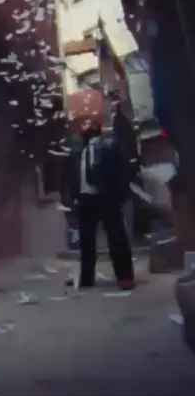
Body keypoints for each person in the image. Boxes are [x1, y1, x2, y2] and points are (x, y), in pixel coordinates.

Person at [63, 119, 135, 290]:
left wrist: (119, 195)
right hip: (85, 199)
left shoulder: (109, 147)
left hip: (107, 196)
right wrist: (73, 198)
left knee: (116, 237)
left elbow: (121, 170)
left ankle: (124, 276)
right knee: (86, 240)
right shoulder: (77, 153)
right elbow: (72, 176)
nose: (85, 129)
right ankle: (87, 277)